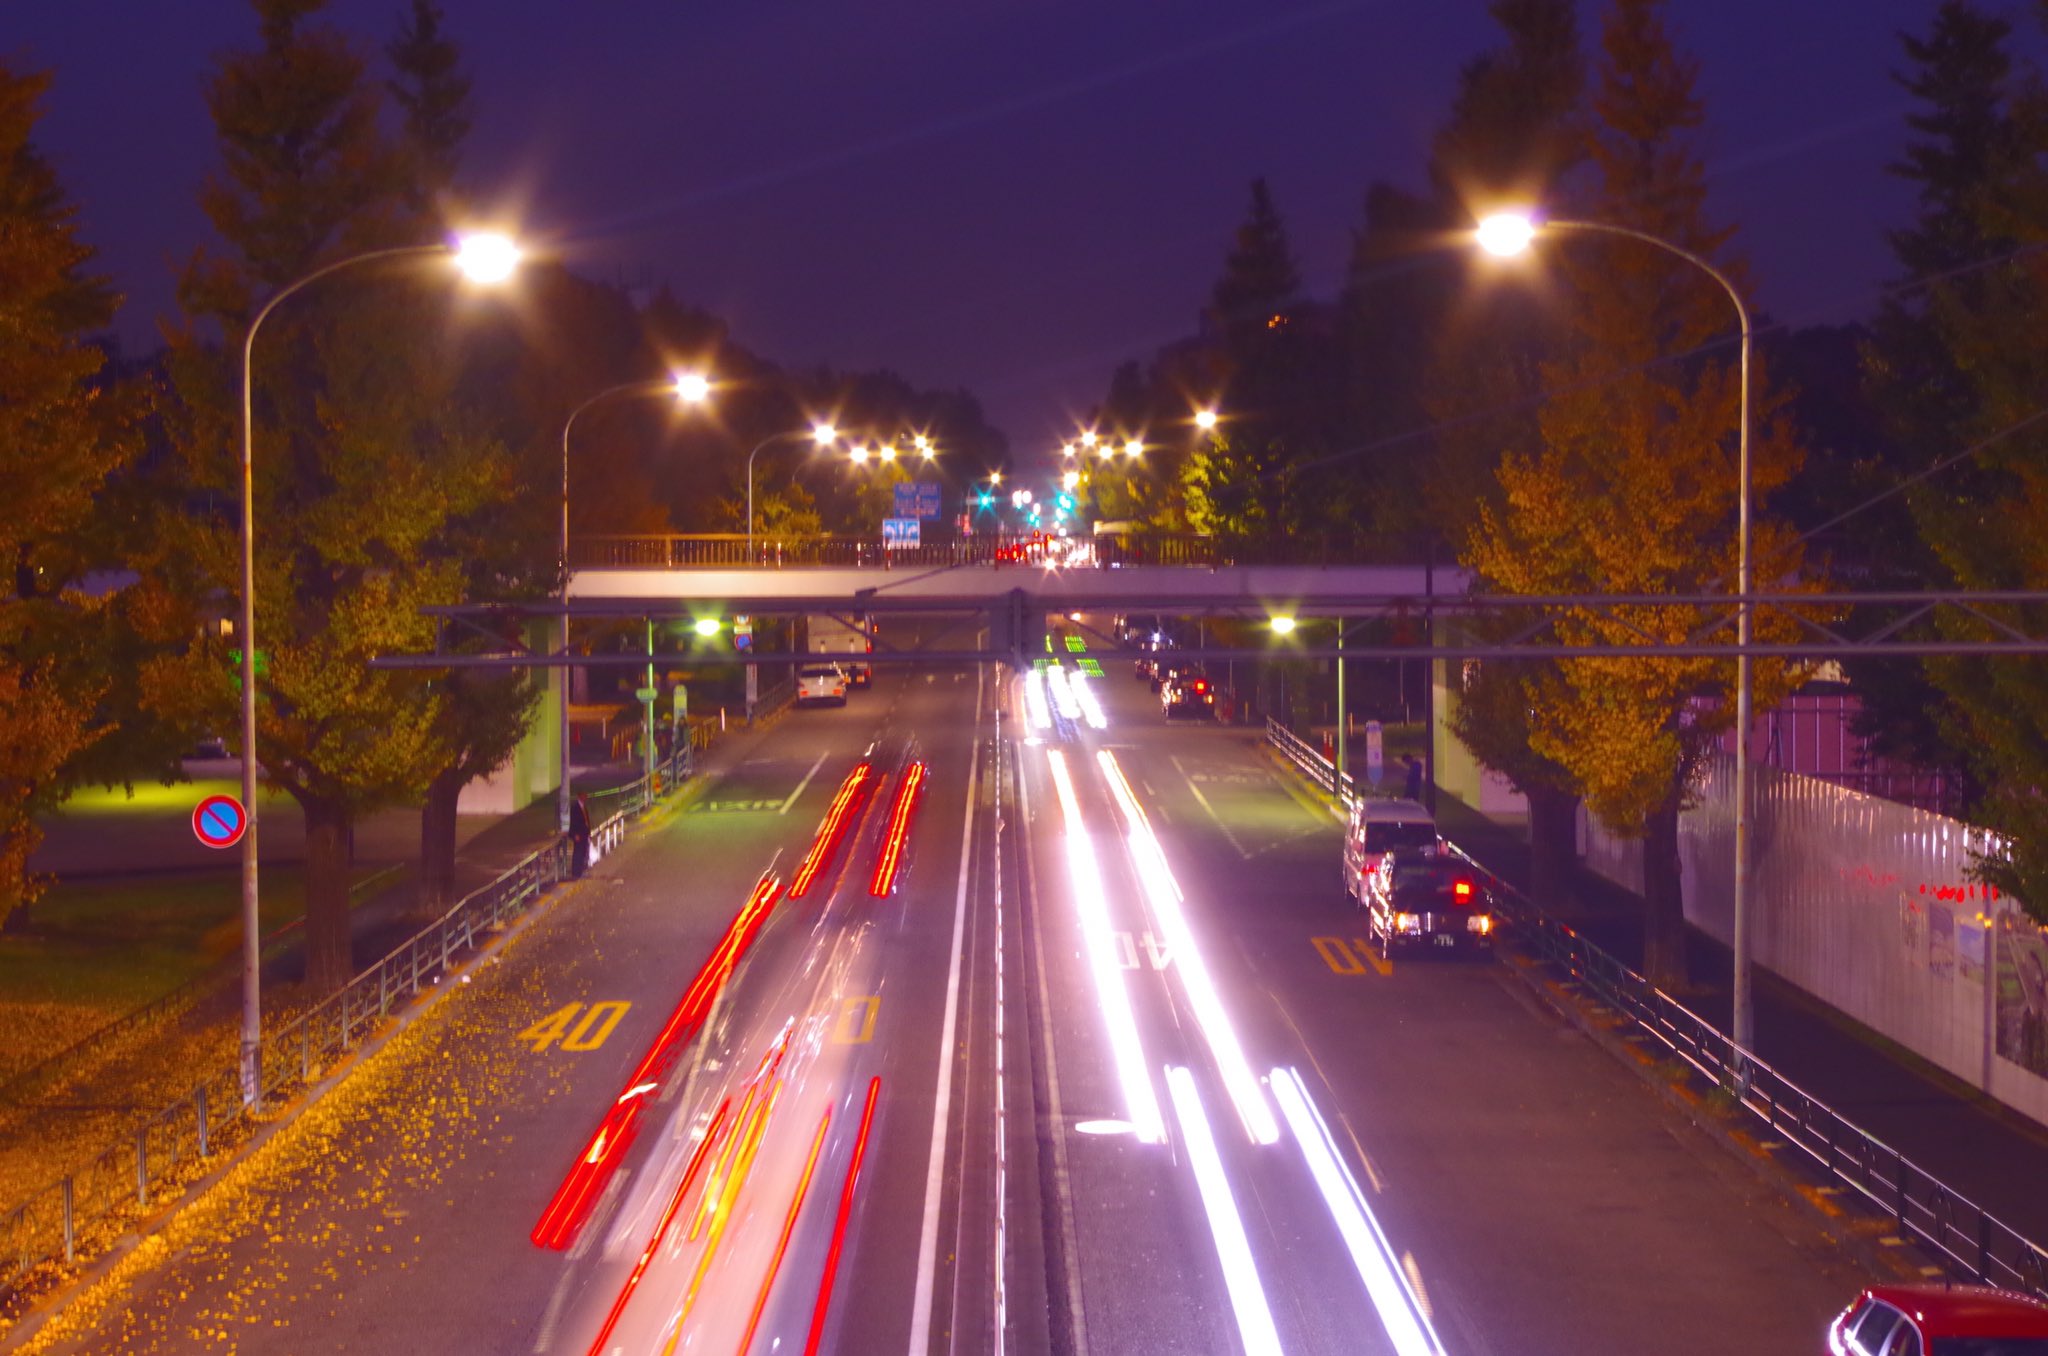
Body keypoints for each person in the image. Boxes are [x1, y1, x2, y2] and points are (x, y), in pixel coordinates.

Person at [569, 794, 591, 879]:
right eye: (584, 795)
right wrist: (575, 834)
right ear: (580, 796)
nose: (586, 797)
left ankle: (580, 871)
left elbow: (586, 821)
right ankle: (576, 872)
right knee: (578, 853)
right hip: (578, 834)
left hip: (584, 833)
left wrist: (588, 832)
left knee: (583, 853)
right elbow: (574, 822)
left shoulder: (583, 807)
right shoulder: (575, 808)